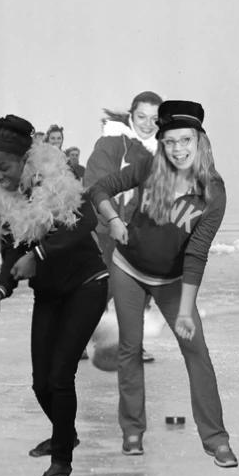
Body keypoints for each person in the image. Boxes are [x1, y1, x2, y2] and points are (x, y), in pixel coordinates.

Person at [89, 100, 238, 468]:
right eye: (169, 142)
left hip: (172, 281)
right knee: (130, 348)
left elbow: (196, 254)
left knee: (196, 351)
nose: (178, 149)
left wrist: (186, 311)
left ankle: (216, 440)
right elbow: (100, 189)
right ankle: (133, 431)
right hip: (128, 269)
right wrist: (112, 220)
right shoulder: (150, 167)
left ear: (200, 141)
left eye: (185, 140)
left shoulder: (213, 193)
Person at [0, 115, 109, 476]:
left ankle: (61, 458)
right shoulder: (6, 200)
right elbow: (10, 257)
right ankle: (65, 432)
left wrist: (40, 256)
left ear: (25, 160)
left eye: (5, 167)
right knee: (40, 384)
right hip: (49, 294)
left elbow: (83, 223)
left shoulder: (57, 181)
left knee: (61, 376)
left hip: (87, 285)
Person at [84, 90, 164, 363]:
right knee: (101, 287)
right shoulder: (113, 143)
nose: (147, 123)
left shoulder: (162, 152)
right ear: (131, 115)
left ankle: (131, 343)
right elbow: (96, 184)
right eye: (142, 116)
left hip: (141, 233)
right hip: (108, 230)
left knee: (142, 287)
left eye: (154, 118)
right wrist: (112, 222)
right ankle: (79, 339)